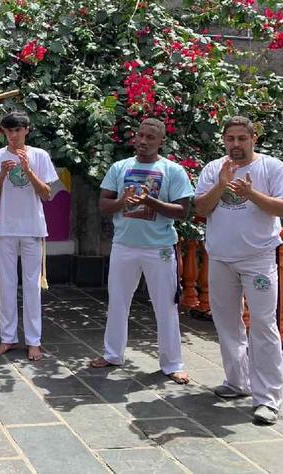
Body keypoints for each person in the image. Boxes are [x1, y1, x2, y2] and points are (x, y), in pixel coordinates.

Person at [193, 115, 283, 425]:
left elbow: (281, 208)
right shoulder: (212, 168)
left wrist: (251, 194)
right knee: (227, 323)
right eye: (230, 138)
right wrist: (220, 185)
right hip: (220, 258)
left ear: (253, 138)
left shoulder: (272, 167)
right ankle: (237, 382)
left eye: (242, 138)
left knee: (263, 325)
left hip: (258, 258)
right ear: (224, 140)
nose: (236, 145)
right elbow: (201, 209)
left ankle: (268, 399)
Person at [89, 118, 192, 384]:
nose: (144, 142)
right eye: (140, 136)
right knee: (118, 302)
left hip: (160, 248)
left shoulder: (173, 170)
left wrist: (149, 201)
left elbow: (182, 212)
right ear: (134, 138)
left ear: (161, 142)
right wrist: (123, 200)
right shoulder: (119, 167)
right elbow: (103, 204)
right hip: (124, 245)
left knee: (165, 306)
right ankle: (113, 354)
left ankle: (172, 363)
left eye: (150, 137)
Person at [0, 112, 58, 360]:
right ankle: (8, 338)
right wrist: (2, 175)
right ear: (4, 132)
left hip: (33, 228)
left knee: (33, 286)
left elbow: (47, 194)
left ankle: (34, 341)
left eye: (17, 130)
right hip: (5, 229)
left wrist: (28, 170)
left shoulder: (40, 156)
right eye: (9, 131)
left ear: (26, 130)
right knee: (7, 284)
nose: (13, 136)